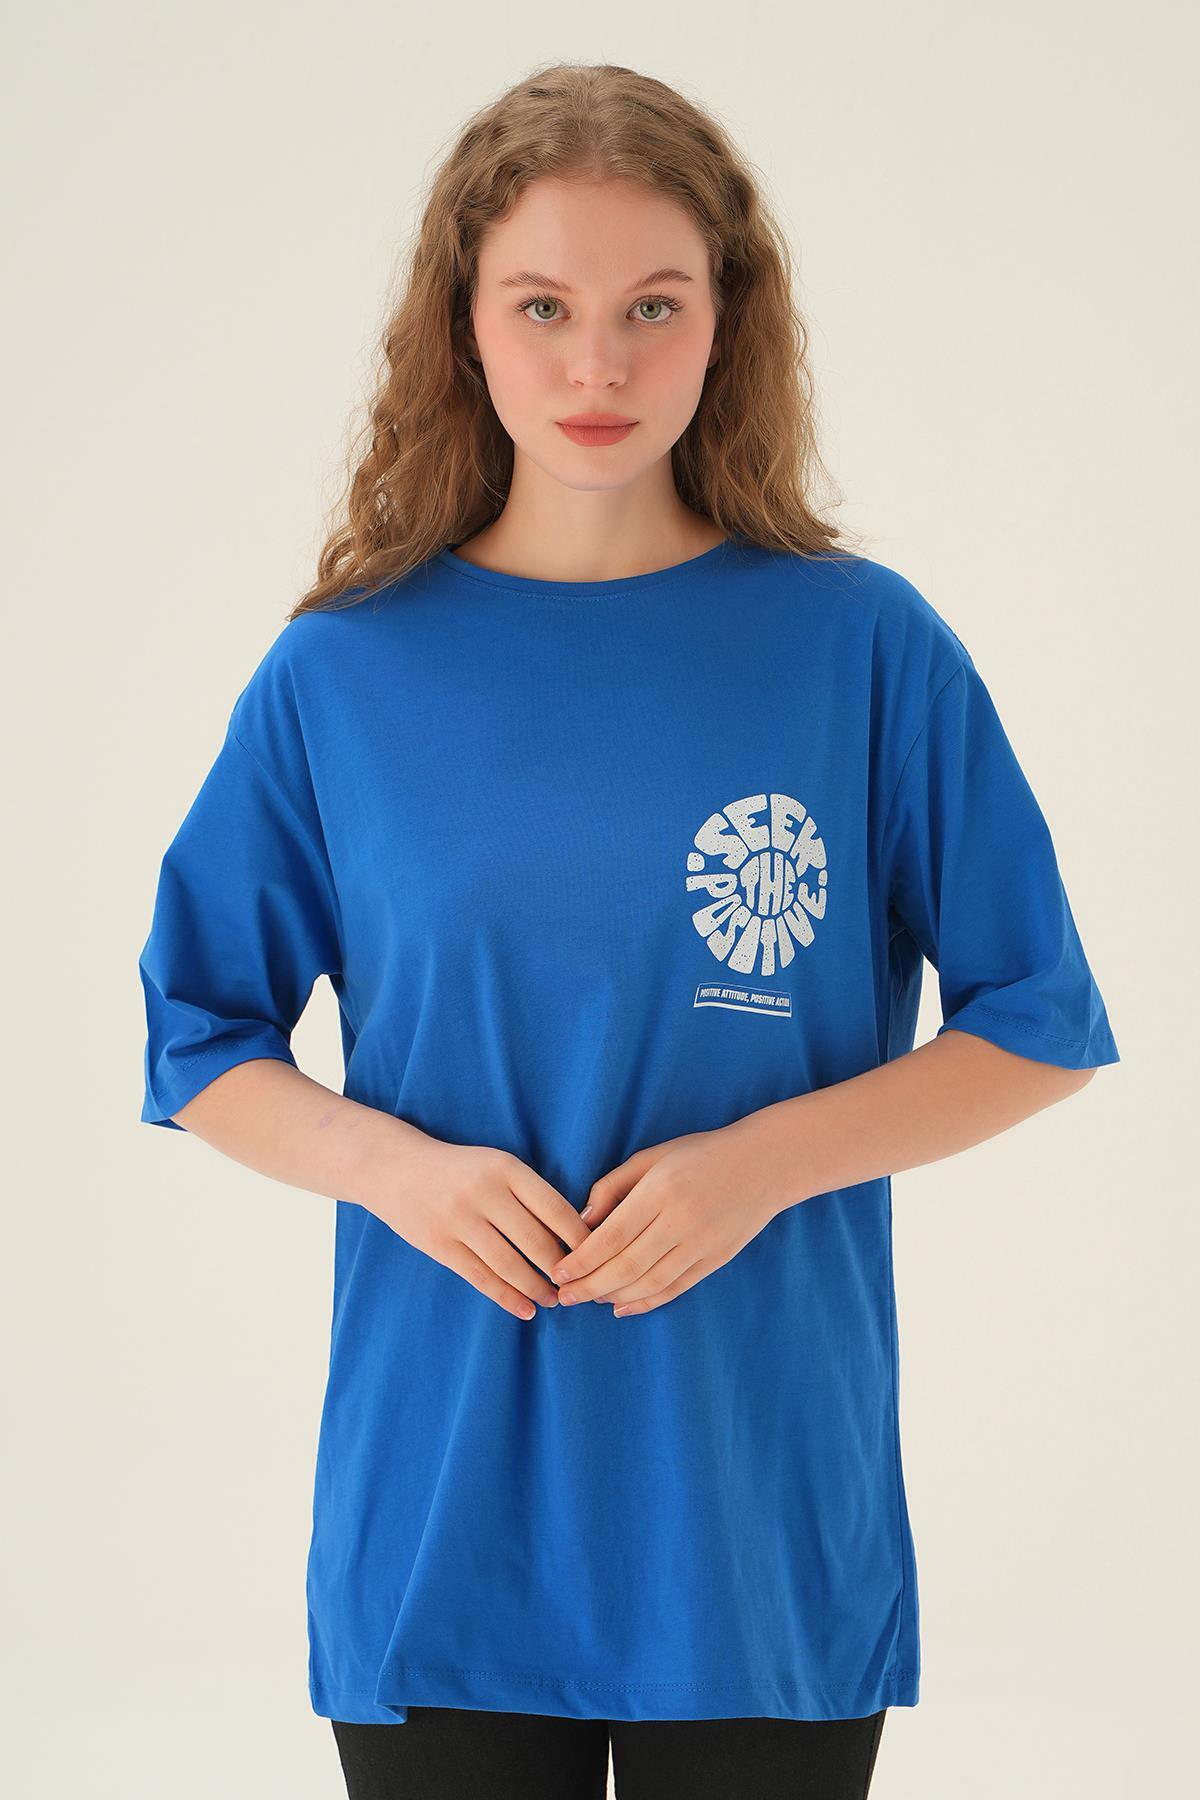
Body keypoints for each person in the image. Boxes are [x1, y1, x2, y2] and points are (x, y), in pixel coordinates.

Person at [136, 61, 1119, 1800]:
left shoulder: (860, 649)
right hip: (440, 1518)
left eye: (651, 307)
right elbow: (199, 1035)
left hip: (752, 1521)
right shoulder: (341, 675)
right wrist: (398, 1172)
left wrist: (760, 1166)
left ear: (727, 324)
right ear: (465, 325)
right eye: (544, 307)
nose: (597, 365)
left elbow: (1036, 1021)